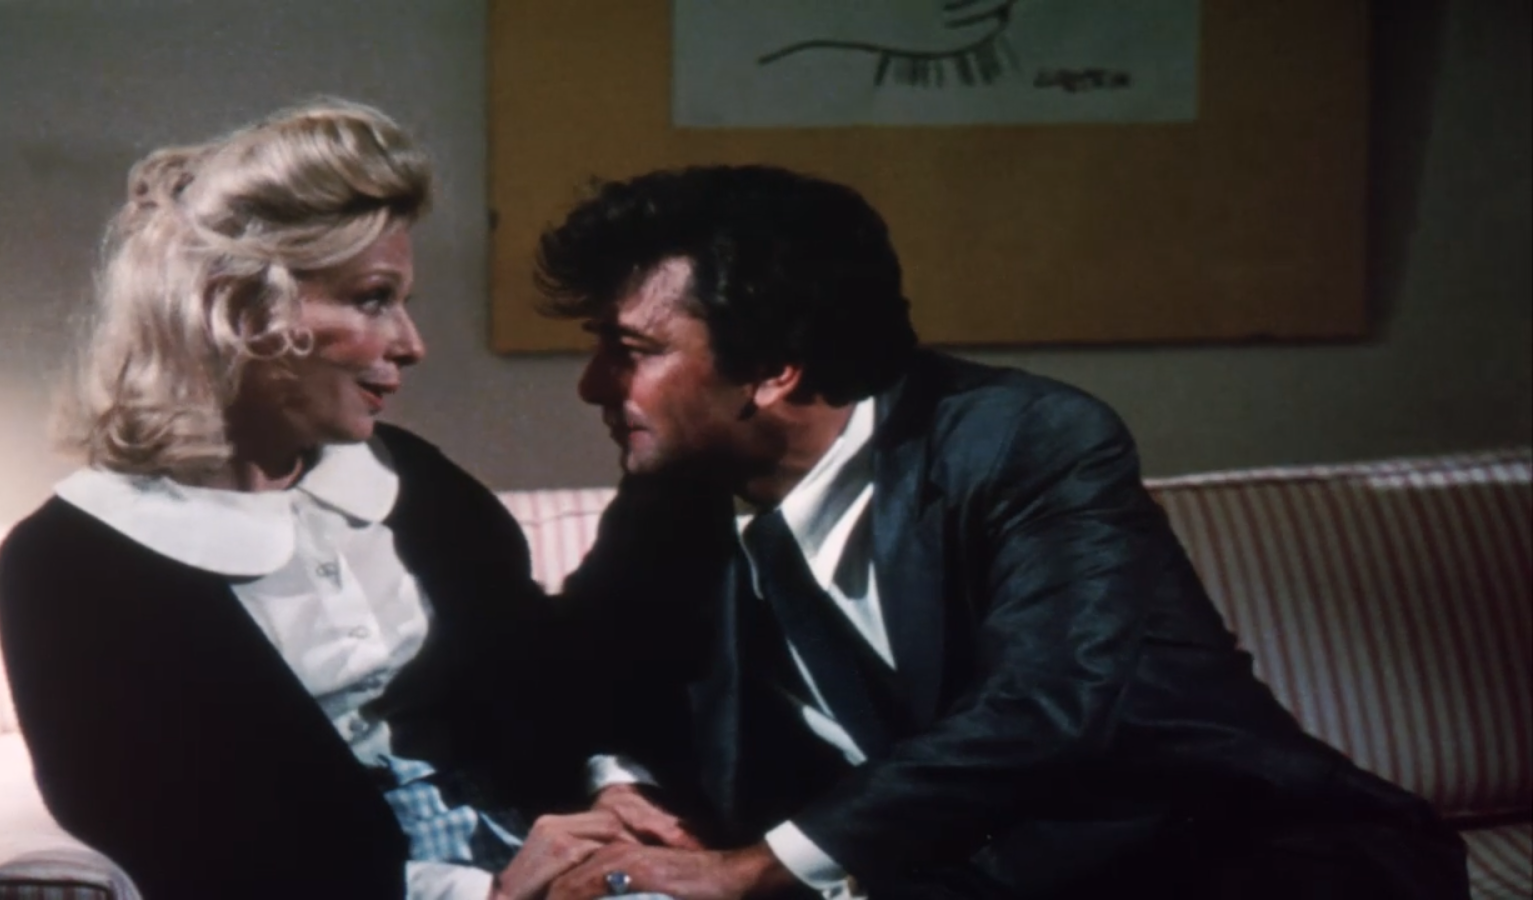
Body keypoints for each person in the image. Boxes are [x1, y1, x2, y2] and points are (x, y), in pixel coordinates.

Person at [533, 165, 1472, 899]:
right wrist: (623, 787)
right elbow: (587, 675)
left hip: (1230, 852)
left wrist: (751, 870)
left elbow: (1041, 708)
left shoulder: (1028, 442)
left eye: (632, 350)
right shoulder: (678, 493)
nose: (591, 386)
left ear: (776, 368)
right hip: (951, 874)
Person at [0, 99, 656, 900]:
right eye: (373, 299)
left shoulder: (414, 480)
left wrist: (609, 784)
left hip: (532, 851)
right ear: (240, 311)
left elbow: (546, 679)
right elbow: (176, 842)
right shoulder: (66, 568)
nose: (411, 344)